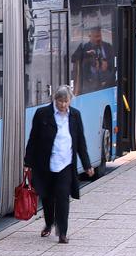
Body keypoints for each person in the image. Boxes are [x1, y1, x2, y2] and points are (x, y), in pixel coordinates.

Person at [25, 85, 94, 244]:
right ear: (55, 100)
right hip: (46, 163)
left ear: (70, 101)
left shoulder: (75, 116)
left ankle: (62, 232)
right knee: (47, 197)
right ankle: (49, 222)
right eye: (60, 101)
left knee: (63, 197)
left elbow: (80, 142)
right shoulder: (42, 114)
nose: (63, 105)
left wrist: (87, 165)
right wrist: (28, 162)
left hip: (66, 164)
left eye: (66, 101)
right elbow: (33, 139)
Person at [72, 27, 114, 94]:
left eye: (100, 36)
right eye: (96, 36)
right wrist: (86, 55)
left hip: (107, 84)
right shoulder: (84, 47)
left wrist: (107, 64)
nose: (98, 39)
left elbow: (113, 62)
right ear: (90, 36)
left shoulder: (107, 46)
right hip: (90, 84)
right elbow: (73, 59)